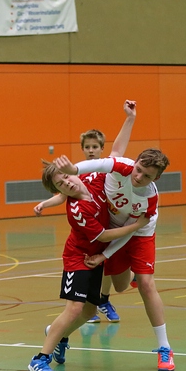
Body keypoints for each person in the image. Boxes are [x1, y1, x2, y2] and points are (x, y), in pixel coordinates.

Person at [56, 148, 175, 371]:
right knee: (120, 286)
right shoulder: (122, 167)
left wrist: (105, 254)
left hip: (139, 232)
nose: (138, 177)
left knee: (146, 284)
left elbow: (134, 228)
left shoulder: (148, 199)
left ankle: (165, 348)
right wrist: (74, 169)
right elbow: (99, 164)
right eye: (138, 169)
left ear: (156, 178)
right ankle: (59, 336)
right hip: (114, 230)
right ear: (135, 163)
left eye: (147, 176)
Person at [28, 159, 149, 371]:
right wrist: (136, 226)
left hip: (95, 258)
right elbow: (103, 235)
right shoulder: (77, 210)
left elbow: (114, 158)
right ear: (60, 191)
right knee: (74, 308)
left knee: (89, 312)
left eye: (67, 177)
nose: (67, 183)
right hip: (77, 258)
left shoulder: (92, 178)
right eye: (61, 184)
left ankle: (59, 336)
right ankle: (39, 359)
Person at [34, 100, 138, 323]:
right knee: (101, 267)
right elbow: (62, 195)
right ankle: (99, 302)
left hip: (115, 227)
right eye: (87, 147)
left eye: (95, 147)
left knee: (119, 282)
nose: (91, 151)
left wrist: (130, 118)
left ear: (101, 148)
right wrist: (44, 204)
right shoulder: (76, 175)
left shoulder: (104, 170)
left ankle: (115, 289)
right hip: (97, 232)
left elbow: (118, 149)